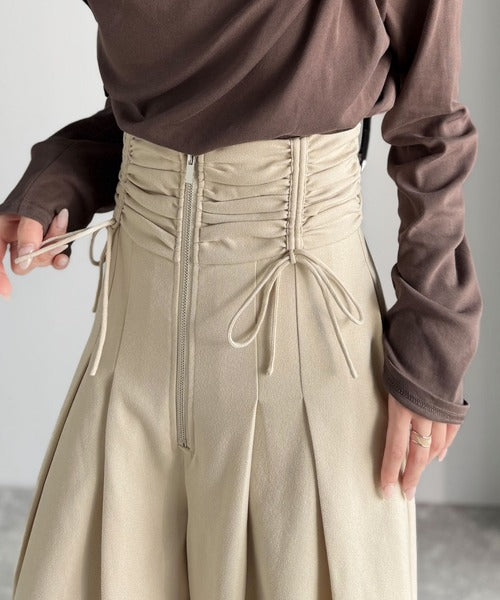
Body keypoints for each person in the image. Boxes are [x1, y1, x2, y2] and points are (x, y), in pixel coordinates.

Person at [0, 1, 483, 598]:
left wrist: (434, 336)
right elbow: (168, 106)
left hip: (304, 355)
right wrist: (59, 178)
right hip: (132, 350)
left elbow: (430, 125)